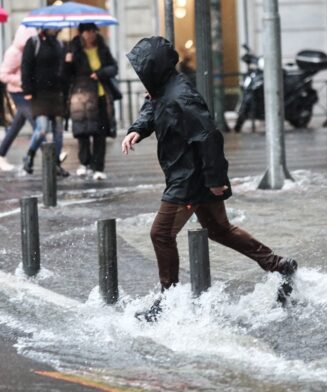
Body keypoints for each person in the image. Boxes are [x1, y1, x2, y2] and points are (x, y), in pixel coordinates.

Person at [121, 37, 298, 321]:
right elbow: (151, 108)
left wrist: (216, 180)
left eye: (142, 70)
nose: (140, 77)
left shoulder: (182, 97)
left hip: (189, 179)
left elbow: (209, 137)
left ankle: (168, 302)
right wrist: (137, 130)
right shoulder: (163, 90)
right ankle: (278, 265)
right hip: (190, 175)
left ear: (154, 68)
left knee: (161, 234)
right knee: (220, 229)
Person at [65, 23, 118, 181]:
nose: (91, 34)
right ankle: (84, 163)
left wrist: (100, 73)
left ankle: (98, 167)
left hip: (100, 95)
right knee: (83, 131)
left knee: (100, 133)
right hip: (81, 96)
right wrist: (68, 61)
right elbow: (66, 75)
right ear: (81, 33)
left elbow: (113, 68)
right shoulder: (73, 49)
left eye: (93, 31)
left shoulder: (102, 48)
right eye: (87, 31)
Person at [21, 28, 69, 177]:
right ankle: (29, 155)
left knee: (58, 132)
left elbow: (64, 71)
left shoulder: (60, 44)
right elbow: (26, 66)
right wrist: (27, 90)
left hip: (56, 93)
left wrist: (68, 62)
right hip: (39, 94)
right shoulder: (34, 42)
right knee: (42, 129)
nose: (54, 28)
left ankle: (56, 164)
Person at [0, 26, 38, 172]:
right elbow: (3, 75)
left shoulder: (28, 52)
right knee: (36, 122)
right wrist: (22, 80)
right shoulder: (13, 53)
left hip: (25, 90)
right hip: (17, 92)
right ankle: (53, 154)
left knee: (17, 124)